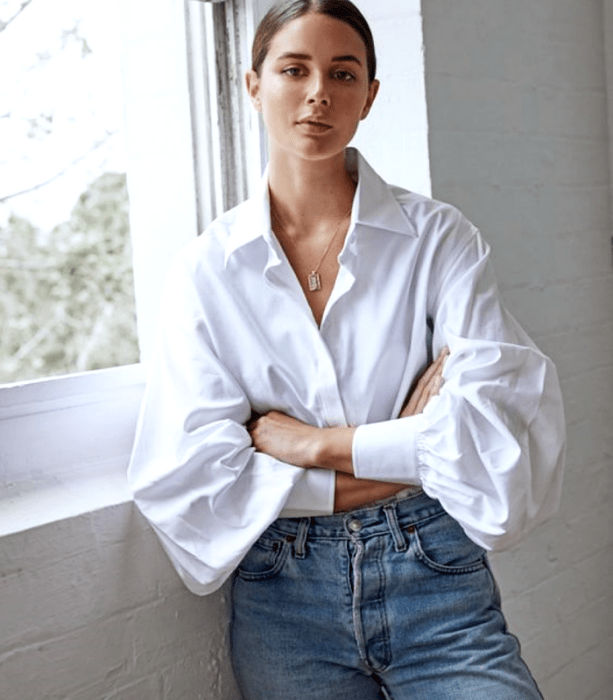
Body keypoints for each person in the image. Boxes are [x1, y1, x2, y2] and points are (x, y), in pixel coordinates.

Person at [127, 1, 566, 697]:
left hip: (436, 577)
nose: (317, 94)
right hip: (282, 596)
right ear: (252, 85)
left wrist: (312, 445)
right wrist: (412, 450)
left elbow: (498, 444)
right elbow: (194, 482)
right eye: (293, 69)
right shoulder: (206, 270)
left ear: (369, 95)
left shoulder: (439, 240)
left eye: (342, 72)